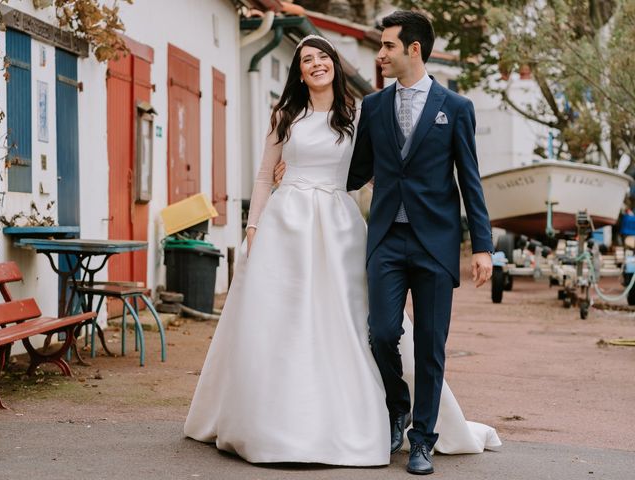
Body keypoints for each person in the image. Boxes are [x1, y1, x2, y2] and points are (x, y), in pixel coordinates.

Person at [184, 34, 500, 467]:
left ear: (333, 63)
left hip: (338, 224)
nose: (316, 64)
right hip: (285, 222)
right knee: (279, 319)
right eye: (306, 60)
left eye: (322, 57)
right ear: (299, 72)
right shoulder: (284, 115)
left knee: (355, 319)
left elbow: (373, 171)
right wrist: (253, 224)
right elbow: (262, 177)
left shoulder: (360, 114)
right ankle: (269, 416)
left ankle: (390, 410)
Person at [346, 11, 494, 475]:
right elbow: (356, 171)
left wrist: (484, 246)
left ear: (413, 49)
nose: (381, 53)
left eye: (389, 45)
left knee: (431, 344)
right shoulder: (372, 107)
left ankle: (422, 439)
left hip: (436, 242)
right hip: (387, 238)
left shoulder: (457, 107)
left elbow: (470, 181)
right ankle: (397, 406)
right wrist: (302, 171)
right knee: (383, 332)